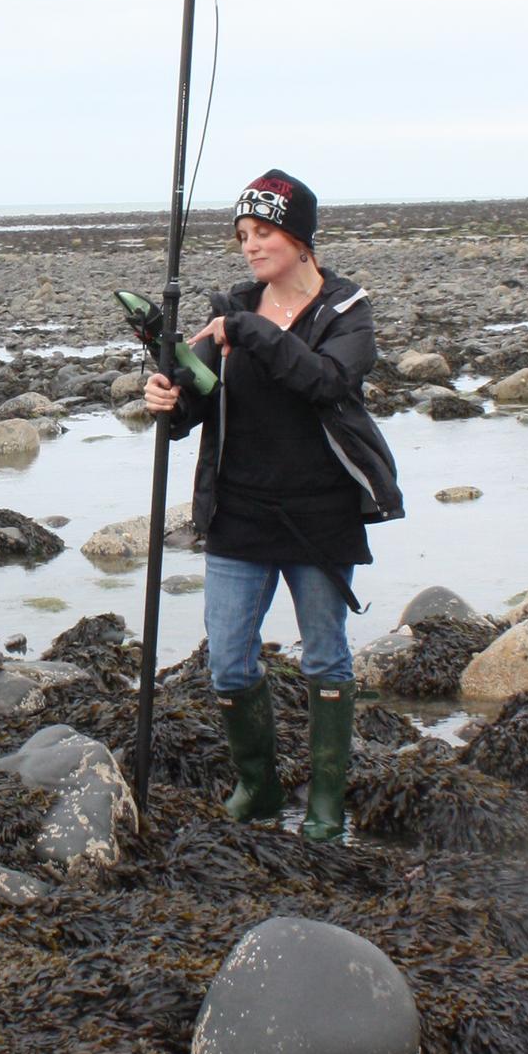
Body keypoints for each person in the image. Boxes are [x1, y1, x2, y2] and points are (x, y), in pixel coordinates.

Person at [144, 169, 397, 840]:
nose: (251, 246)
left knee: (325, 658)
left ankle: (325, 806)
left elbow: (324, 380)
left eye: (264, 232)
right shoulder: (233, 309)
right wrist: (169, 400)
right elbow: (194, 401)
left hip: (319, 517)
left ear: (301, 237)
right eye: (243, 235)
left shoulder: (347, 312)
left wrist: (247, 330)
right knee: (228, 659)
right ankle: (256, 788)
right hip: (240, 511)